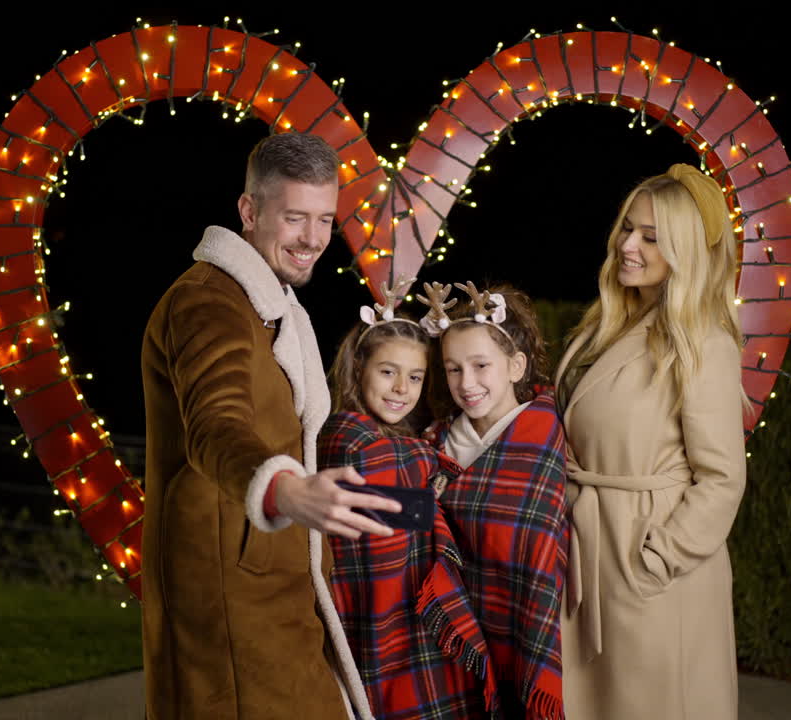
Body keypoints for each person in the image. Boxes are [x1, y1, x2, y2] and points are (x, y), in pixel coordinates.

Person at [140, 132, 400, 720]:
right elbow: (215, 424)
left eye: (325, 219)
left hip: (275, 585)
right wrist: (285, 488)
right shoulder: (209, 303)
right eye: (295, 218)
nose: (313, 239)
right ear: (249, 211)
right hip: (227, 595)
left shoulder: (269, 304)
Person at [554, 164, 748, 720]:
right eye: (627, 229)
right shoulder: (608, 325)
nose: (628, 245)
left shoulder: (704, 343)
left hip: (652, 566)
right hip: (594, 555)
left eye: (651, 237)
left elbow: (722, 479)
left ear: (685, 250)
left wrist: (655, 562)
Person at [320, 277, 492, 720]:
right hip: (377, 618)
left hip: (408, 617)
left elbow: (407, 503)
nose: (401, 388)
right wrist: (432, 474)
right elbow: (398, 492)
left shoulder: (396, 438)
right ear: (358, 369)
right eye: (387, 372)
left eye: (414, 377)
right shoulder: (345, 435)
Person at [423, 280, 571, 720]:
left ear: (516, 365)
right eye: (453, 369)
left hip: (525, 620)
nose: (466, 383)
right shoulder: (434, 442)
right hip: (454, 635)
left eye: (480, 365)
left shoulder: (548, 439)